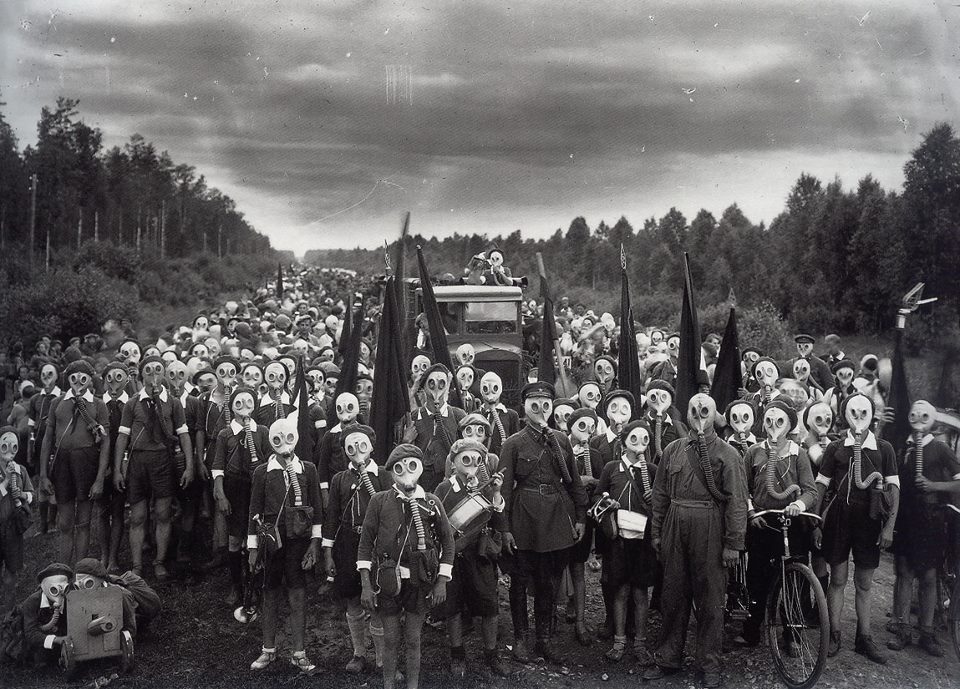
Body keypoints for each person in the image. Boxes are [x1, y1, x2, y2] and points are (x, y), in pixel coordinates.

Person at [646, 393, 747, 689]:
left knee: (711, 599)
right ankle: (667, 659)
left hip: (711, 527)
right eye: (693, 409)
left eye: (705, 410)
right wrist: (656, 531)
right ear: (687, 413)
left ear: (715, 415)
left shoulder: (728, 454)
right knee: (673, 594)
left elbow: (737, 502)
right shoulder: (673, 450)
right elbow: (661, 494)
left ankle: (710, 666)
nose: (698, 414)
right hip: (676, 524)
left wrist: (733, 543)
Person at [500, 381, 587, 663]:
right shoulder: (513, 443)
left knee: (548, 581)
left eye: (545, 405)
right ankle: (521, 638)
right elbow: (502, 491)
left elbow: (573, 482)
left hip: (554, 518)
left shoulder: (561, 441)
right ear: (524, 408)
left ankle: (544, 639)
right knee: (519, 580)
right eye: (534, 405)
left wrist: (580, 517)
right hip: (524, 517)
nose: (540, 410)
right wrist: (505, 529)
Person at [358, 444, 455, 689]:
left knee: (413, 639)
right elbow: (366, 543)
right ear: (391, 473)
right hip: (388, 581)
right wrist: (366, 585)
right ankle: (388, 685)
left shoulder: (431, 503)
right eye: (399, 468)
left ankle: (413, 685)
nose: (406, 473)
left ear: (420, 468)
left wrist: (442, 580)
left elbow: (448, 541)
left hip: (419, 582)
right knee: (390, 639)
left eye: (412, 465)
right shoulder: (380, 501)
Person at [814, 393, 900, 664]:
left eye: (865, 413)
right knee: (838, 580)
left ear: (872, 415)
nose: (859, 419)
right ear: (845, 415)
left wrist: (889, 527)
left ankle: (864, 638)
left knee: (864, 583)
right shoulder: (836, 448)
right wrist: (816, 522)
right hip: (840, 519)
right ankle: (835, 634)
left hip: (870, 520)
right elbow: (821, 486)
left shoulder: (883, 448)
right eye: (854, 413)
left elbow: (894, 488)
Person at [736, 401, 818, 648]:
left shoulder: (799, 453)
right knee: (757, 578)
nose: (773, 427)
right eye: (769, 421)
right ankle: (752, 630)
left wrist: (799, 505)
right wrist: (752, 514)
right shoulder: (754, 452)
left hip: (792, 523)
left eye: (779, 421)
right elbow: (743, 488)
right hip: (763, 522)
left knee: (794, 581)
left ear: (790, 425)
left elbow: (810, 491)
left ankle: (792, 634)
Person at [247, 416, 322, 674]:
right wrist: (253, 548)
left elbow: (318, 509)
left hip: (298, 542)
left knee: (298, 593)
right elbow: (253, 510)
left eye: (289, 438)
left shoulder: (308, 469)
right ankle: (268, 650)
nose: (284, 444)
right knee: (269, 592)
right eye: (278, 439)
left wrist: (315, 543)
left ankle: (299, 653)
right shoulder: (261, 472)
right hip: (271, 542)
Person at [888, 400, 960, 656]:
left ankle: (926, 633)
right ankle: (902, 628)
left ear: (933, 420)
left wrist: (933, 486)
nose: (918, 417)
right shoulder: (903, 448)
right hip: (906, 519)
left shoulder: (940, 449)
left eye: (924, 414)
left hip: (931, 519)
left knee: (929, 576)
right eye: (914, 413)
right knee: (904, 573)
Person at [113, 356, 194, 581]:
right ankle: (137, 565)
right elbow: (122, 436)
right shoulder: (132, 403)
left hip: (163, 462)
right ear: (141, 376)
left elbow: (183, 434)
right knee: (138, 516)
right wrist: (119, 468)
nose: (154, 374)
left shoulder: (173, 403)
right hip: (138, 463)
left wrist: (189, 465)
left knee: (162, 513)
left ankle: (159, 561)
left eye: (158, 369)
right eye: (148, 370)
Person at [433, 439, 508, 677]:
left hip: (480, 555)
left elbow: (497, 519)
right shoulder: (443, 489)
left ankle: (491, 654)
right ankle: (457, 655)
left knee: (489, 605)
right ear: (453, 462)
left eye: (477, 459)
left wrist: (496, 492)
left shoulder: (486, 488)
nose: (471, 464)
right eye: (465, 458)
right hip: (453, 558)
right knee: (453, 607)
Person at [321, 424, 391, 674]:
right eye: (351, 446)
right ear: (344, 451)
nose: (357, 451)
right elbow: (331, 519)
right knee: (352, 598)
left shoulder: (383, 475)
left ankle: (383, 658)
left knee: (378, 601)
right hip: (348, 543)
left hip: (375, 545)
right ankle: (359, 653)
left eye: (362, 444)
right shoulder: (340, 479)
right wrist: (328, 553)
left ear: (371, 446)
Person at [595, 420, 659, 664]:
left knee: (640, 592)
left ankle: (640, 643)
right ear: (623, 442)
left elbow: (662, 503)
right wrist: (607, 503)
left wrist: (655, 497)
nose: (639, 445)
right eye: (634, 439)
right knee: (620, 590)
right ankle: (619, 640)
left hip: (642, 540)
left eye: (645, 440)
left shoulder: (652, 471)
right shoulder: (612, 468)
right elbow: (595, 498)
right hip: (618, 540)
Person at [38, 360, 110, 565]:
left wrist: (99, 479)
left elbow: (106, 442)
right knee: (65, 523)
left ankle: (80, 571)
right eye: (73, 377)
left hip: (86, 464)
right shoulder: (57, 403)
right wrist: (43, 475)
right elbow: (47, 439)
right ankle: (63, 570)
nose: (78, 381)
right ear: (67, 378)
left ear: (90, 380)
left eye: (83, 377)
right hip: (62, 465)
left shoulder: (98, 404)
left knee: (84, 522)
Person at [212, 387, 270, 605]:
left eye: (248, 403)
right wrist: (220, 493)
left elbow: (269, 461)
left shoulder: (262, 431)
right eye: (239, 403)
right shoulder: (225, 434)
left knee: (254, 538)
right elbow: (218, 466)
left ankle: (254, 585)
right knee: (235, 538)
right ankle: (236, 586)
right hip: (234, 489)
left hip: (256, 489)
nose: (244, 408)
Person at [0, 426, 34, 614]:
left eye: (14, 447)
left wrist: (22, 495)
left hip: (13, 528)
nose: (9, 451)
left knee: (11, 572)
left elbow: (31, 494)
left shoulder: (21, 470)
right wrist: (5, 482)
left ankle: (9, 612)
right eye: (4, 445)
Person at [21, 562, 73, 665]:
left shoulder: (70, 599)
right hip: (40, 640)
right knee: (40, 660)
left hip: (62, 637)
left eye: (65, 588)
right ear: (44, 588)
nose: (60, 593)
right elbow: (30, 633)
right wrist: (56, 640)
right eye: (54, 589)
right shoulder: (32, 602)